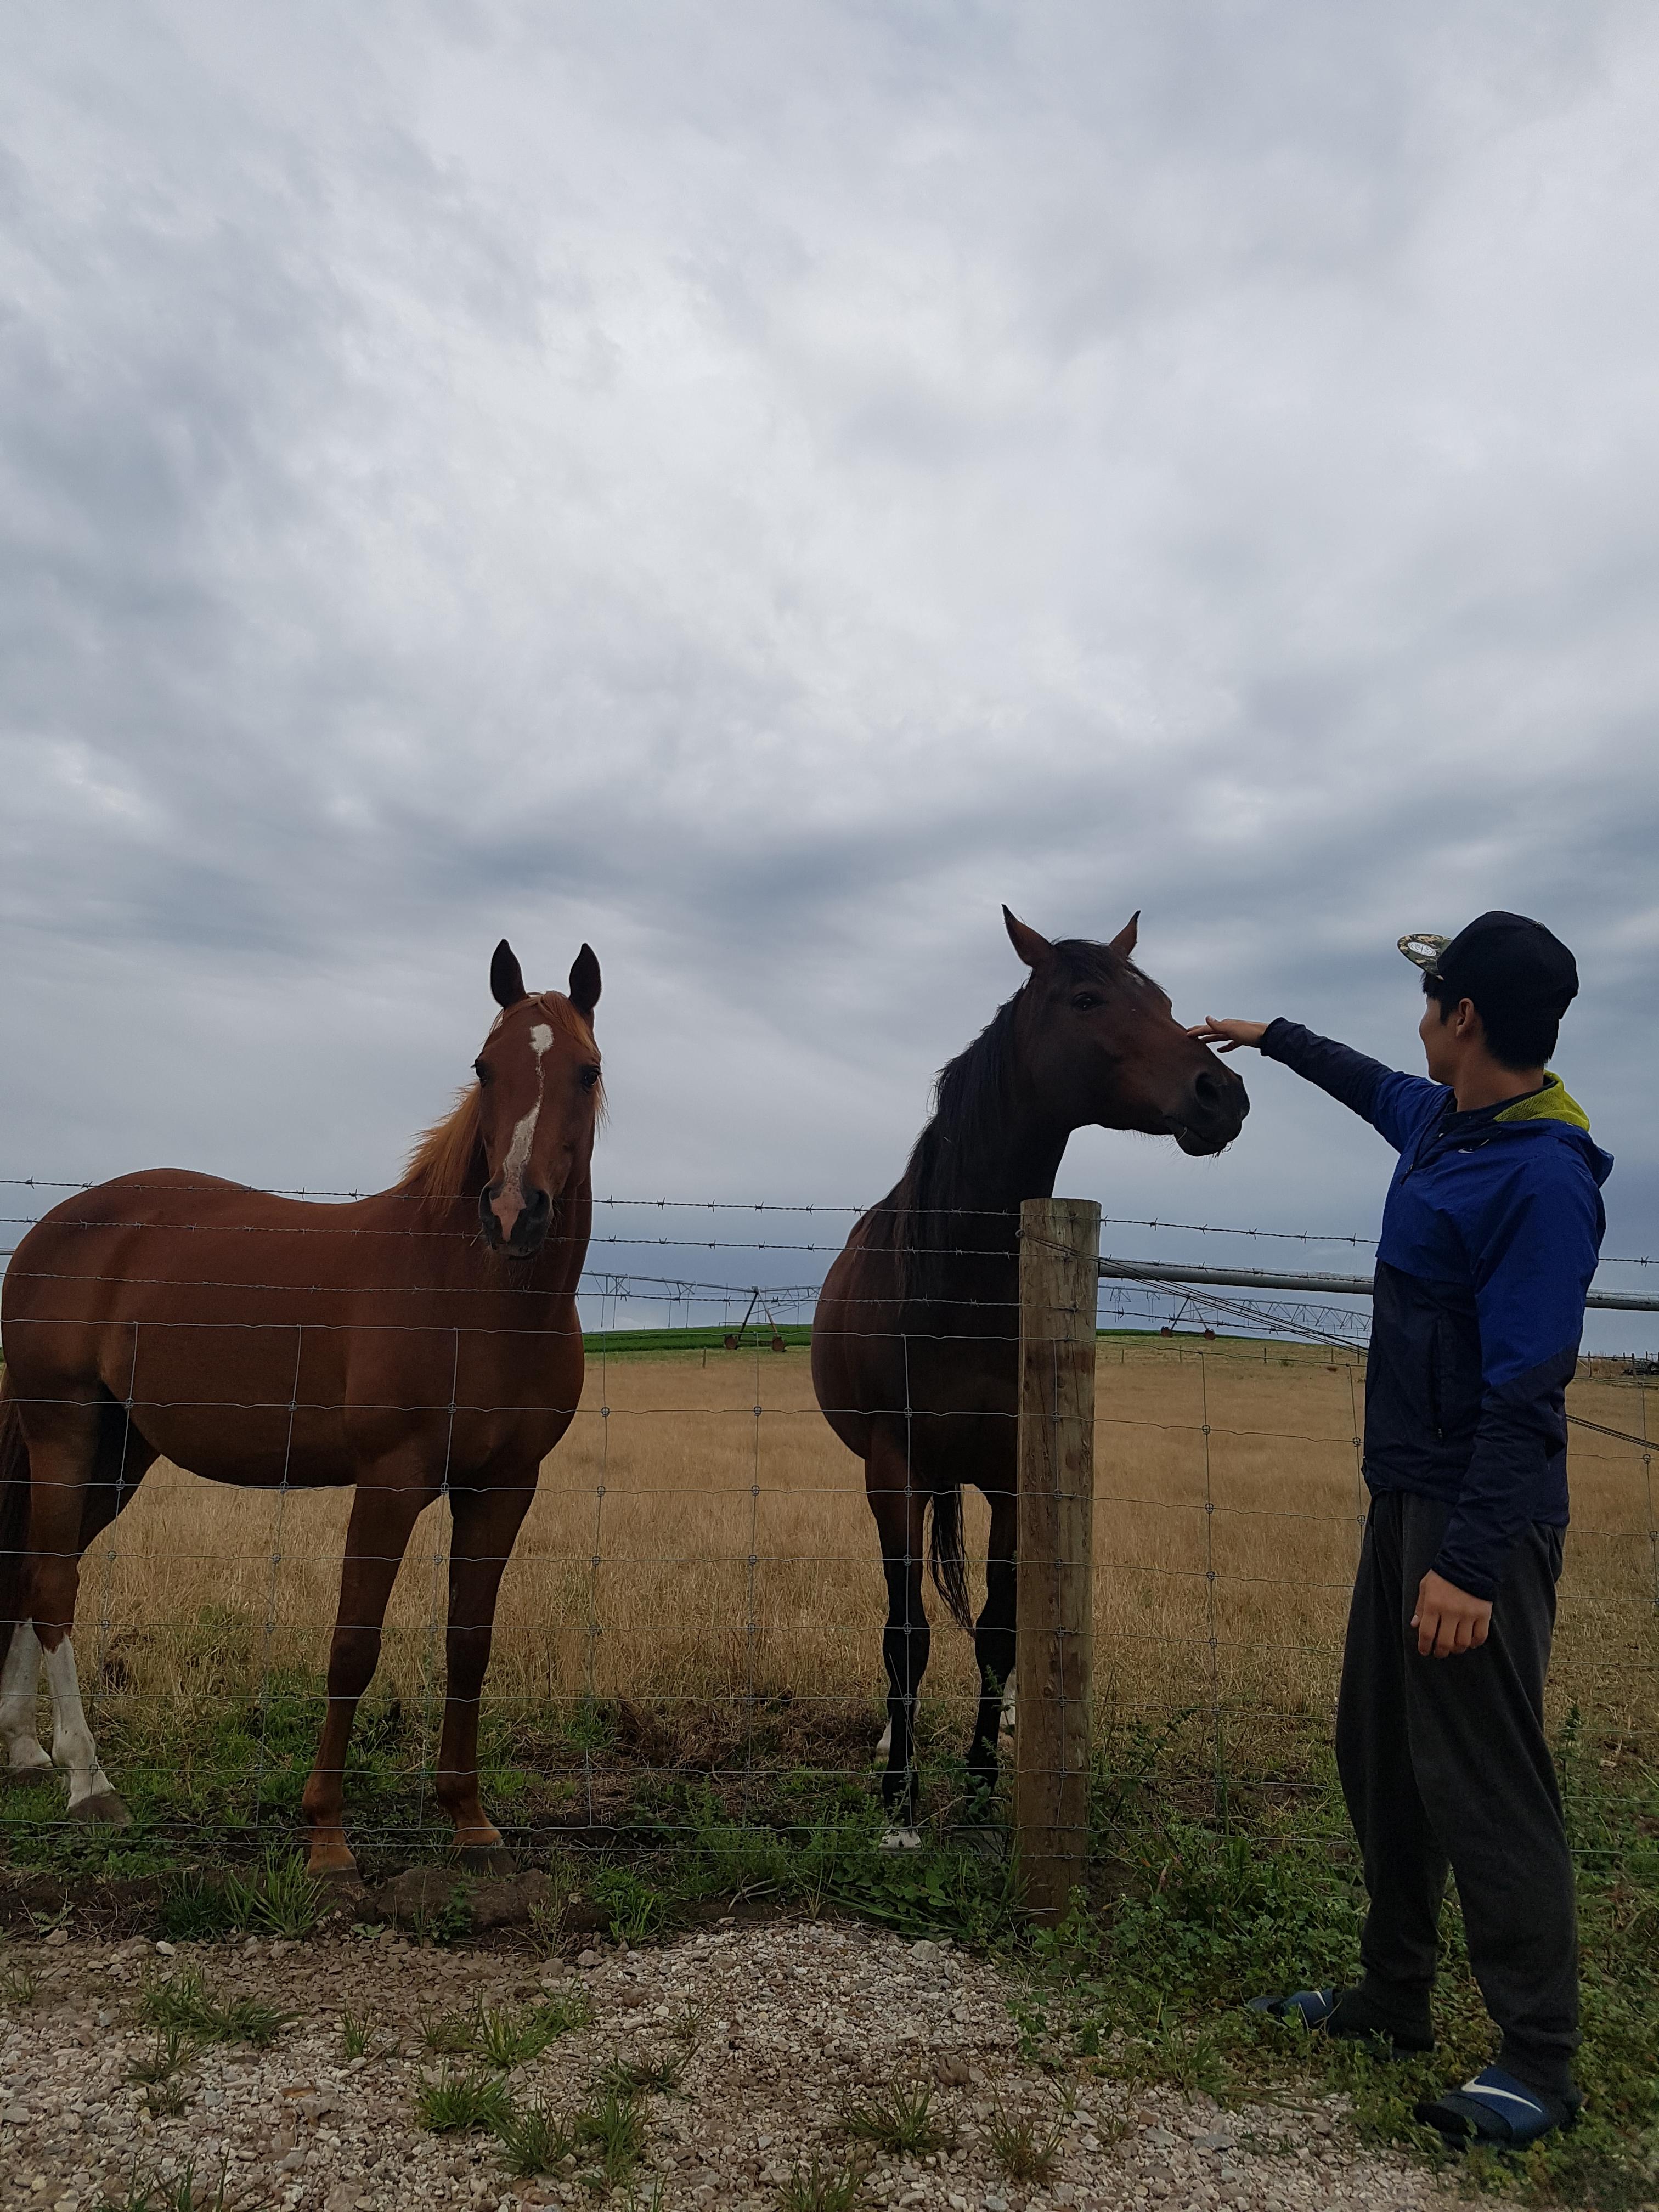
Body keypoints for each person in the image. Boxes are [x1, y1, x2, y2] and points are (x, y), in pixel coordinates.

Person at [1191, 912, 1611, 2151]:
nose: (1418, 1020)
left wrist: (1467, 1567)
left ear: (1463, 1017)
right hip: (1405, 1496)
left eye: (1432, 1000)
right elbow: (1365, 1080)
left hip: (1480, 1520)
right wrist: (1271, 1036)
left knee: (1485, 1781)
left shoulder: (1539, 1178)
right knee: (1379, 1752)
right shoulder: (1444, 1124)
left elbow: (1528, 1391)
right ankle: (1394, 1997)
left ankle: (1539, 2061)